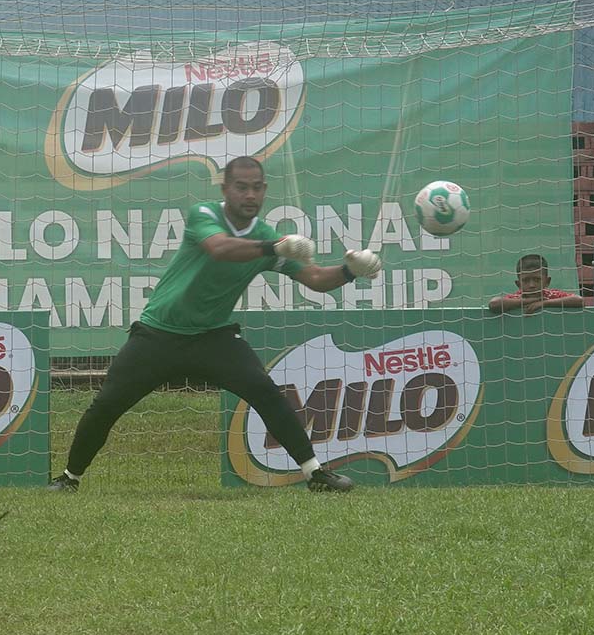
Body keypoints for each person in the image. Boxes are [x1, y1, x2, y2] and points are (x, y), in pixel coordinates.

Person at [48, 155, 382, 494]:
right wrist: (273, 246)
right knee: (107, 403)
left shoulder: (266, 236)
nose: (249, 195)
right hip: (159, 333)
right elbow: (219, 248)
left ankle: (315, 475)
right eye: (241, 188)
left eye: (256, 188)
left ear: (264, 190)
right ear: (225, 189)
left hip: (213, 337)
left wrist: (350, 272)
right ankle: (69, 477)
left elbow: (314, 277)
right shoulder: (205, 215)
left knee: (264, 391)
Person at [487, 254, 585, 314]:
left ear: (547, 281)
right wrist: (530, 301)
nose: (531, 285)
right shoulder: (516, 298)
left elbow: (580, 301)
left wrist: (543, 303)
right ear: (518, 284)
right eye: (526, 280)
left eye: (537, 280)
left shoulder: (552, 296)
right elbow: (494, 304)